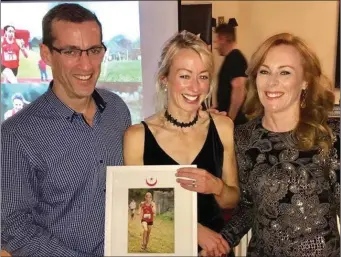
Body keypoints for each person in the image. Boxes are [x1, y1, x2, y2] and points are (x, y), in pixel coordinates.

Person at [1, 3, 131, 256]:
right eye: (71, 51)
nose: (86, 65)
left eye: (94, 50)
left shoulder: (117, 109)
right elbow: (13, 227)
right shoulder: (16, 135)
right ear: (46, 54)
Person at [220, 33, 340, 257]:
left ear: (304, 80)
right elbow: (248, 206)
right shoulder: (243, 137)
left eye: (285, 72)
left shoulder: (329, 135)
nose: (272, 82)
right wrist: (222, 240)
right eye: (264, 71)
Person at [123, 30, 240, 257]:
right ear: (165, 79)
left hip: (213, 250)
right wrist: (193, 230)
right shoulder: (137, 137)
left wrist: (216, 186)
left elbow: (231, 200)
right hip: (164, 248)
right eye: (185, 76)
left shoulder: (223, 127)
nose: (195, 88)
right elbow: (138, 210)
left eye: (203, 77)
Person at [214, 20, 248, 125]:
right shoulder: (232, 58)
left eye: (216, 41)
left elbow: (239, 90)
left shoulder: (235, 58)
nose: (215, 46)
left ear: (223, 39)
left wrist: (230, 120)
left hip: (235, 123)